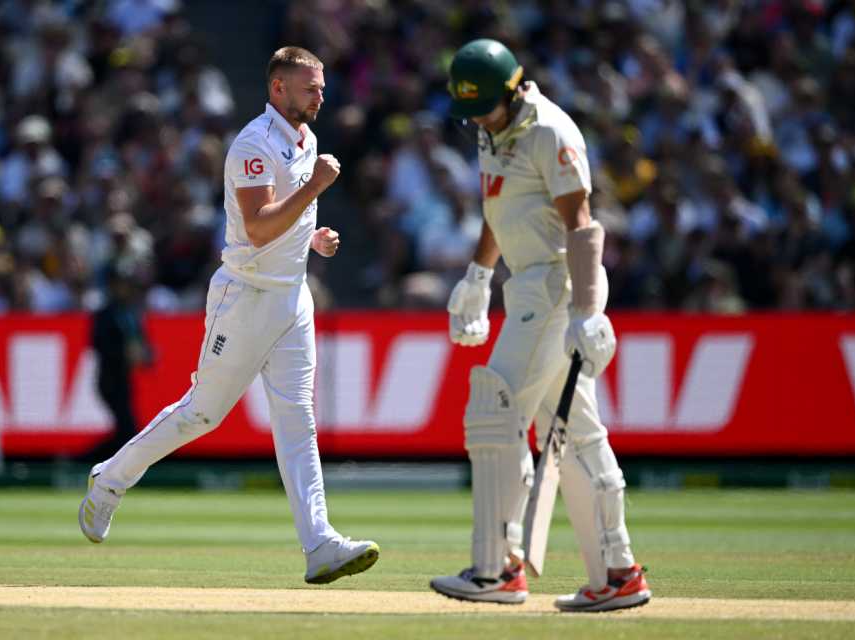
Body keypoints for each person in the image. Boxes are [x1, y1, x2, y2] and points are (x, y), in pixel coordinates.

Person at [79, 46, 380, 585]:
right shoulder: (252, 145)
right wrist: (314, 189)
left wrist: (312, 240)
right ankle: (109, 481)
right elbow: (259, 227)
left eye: (322, 86)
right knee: (202, 413)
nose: (321, 95)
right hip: (244, 298)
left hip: (293, 297)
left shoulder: (307, 141)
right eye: (309, 87)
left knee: (298, 422)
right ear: (277, 89)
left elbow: (281, 227)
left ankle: (320, 545)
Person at [429, 39, 651, 612]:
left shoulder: (550, 130)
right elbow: (499, 208)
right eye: (470, 110)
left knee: (494, 407)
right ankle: (618, 571)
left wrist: (588, 309)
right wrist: (477, 276)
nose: (478, 119)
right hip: (524, 283)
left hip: (556, 284)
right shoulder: (492, 128)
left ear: (513, 89)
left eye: (486, 107)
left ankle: (498, 569)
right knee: (577, 433)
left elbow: (582, 225)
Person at [85, 261, 152, 462]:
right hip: (109, 380)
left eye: (126, 283)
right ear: (112, 285)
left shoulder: (132, 313)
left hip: (124, 380)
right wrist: (124, 353)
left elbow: (143, 346)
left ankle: (91, 462)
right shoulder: (104, 314)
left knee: (126, 431)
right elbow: (97, 345)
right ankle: (86, 461)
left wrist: (145, 356)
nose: (124, 288)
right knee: (127, 431)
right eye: (119, 283)